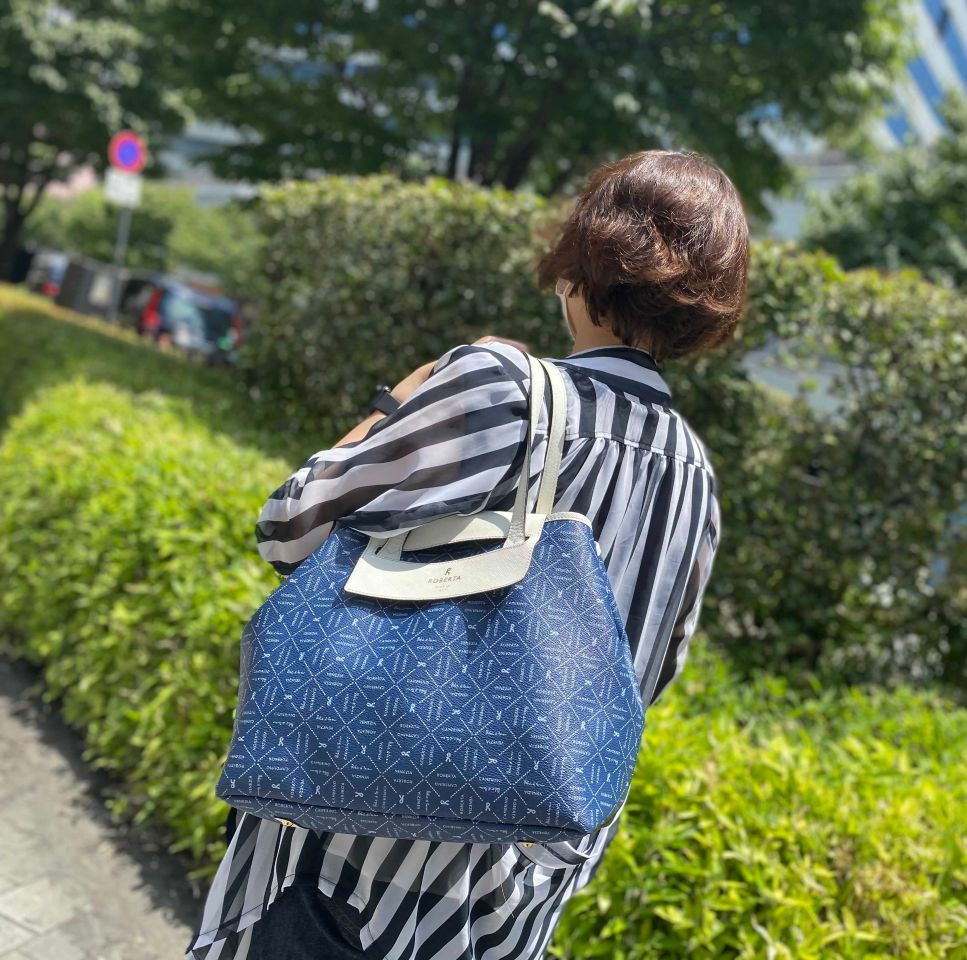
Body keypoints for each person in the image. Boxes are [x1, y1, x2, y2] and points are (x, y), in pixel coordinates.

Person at [187, 149, 750, 960]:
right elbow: (643, 680)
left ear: (582, 260)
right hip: (512, 905)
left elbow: (289, 527)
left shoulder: (503, 387)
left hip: (351, 870)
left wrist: (409, 392)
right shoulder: (695, 476)